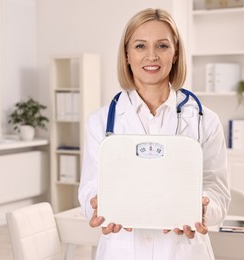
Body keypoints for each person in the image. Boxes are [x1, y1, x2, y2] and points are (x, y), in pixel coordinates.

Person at [78, 8, 231, 260]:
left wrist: (203, 210)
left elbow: (218, 190)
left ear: (175, 52)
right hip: (122, 249)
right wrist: (95, 206)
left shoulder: (205, 121)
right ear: (127, 54)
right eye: (140, 46)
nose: (151, 56)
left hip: (182, 250)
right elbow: (90, 187)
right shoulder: (100, 122)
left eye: (162, 46)